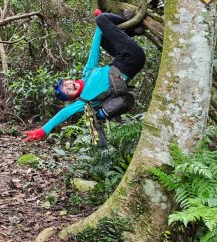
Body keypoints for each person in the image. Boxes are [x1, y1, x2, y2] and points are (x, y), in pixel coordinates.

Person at [23, 9, 146, 142]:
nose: (70, 86)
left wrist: (99, 27)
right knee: (102, 19)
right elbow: (63, 113)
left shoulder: (87, 73)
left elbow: (95, 49)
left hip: (124, 58)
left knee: (102, 31)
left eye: (66, 84)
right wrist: (43, 130)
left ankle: (133, 29)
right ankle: (134, 24)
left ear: (69, 80)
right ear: (72, 98)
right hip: (131, 58)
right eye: (68, 92)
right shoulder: (84, 101)